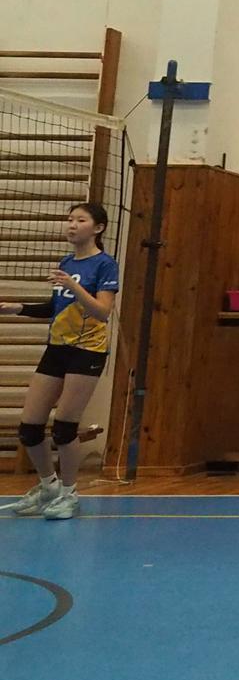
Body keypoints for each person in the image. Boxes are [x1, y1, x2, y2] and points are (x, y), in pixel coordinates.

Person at [1, 202, 120, 520]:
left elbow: (102, 312)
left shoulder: (105, 264)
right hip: (57, 348)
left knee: (65, 427)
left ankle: (70, 494)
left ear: (98, 228)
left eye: (80, 220)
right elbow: (56, 308)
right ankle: (49, 486)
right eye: (69, 219)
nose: (72, 225)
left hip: (87, 350)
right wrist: (17, 308)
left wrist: (74, 285)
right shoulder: (67, 262)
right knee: (29, 428)